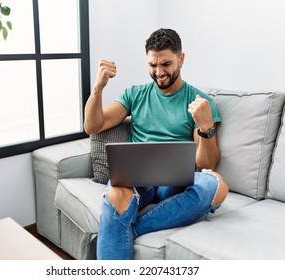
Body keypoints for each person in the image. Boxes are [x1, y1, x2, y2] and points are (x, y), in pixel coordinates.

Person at [84, 28, 229, 260]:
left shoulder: (200, 102)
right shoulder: (135, 94)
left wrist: (206, 128)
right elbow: (93, 126)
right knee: (114, 195)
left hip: (176, 184)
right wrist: (98, 88)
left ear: (181, 59)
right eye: (153, 65)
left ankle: (129, 229)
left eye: (166, 64)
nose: (159, 72)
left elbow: (207, 164)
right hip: (138, 178)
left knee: (217, 185)